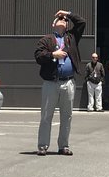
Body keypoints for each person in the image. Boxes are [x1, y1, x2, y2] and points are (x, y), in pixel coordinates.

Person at [34, 9, 87, 156]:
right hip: (51, 82)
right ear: (53, 24)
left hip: (68, 82)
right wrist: (53, 54)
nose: (63, 20)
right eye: (60, 19)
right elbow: (38, 56)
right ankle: (43, 145)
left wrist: (67, 13)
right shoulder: (46, 39)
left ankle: (63, 145)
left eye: (65, 20)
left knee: (67, 116)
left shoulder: (72, 37)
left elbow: (82, 22)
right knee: (46, 115)